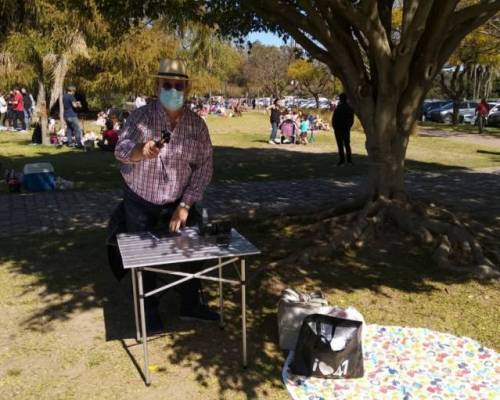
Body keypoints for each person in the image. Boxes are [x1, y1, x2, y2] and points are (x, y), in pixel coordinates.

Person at [113, 58, 218, 333]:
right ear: (157, 86)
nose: (173, 90)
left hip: (178, 201)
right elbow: (121, 149)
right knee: (143, 259)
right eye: (167, 84)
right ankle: (148, 313)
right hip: (140, 200)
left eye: (179, 85)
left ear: (187, 88)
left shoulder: (197, 125)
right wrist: (140, 150)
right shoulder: (141, 118)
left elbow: (205, 167)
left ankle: (190, 304)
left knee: (191, 253)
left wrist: (185, 205)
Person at [332, 93, 354, 166]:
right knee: (347, 144)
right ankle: (349, 160)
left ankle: (342, 160)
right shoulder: (349, 108)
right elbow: (352, 119)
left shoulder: (338, 108)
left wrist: (335, 127)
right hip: (346, 129)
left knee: (340, 145)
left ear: (341, 99)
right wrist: (349, 126)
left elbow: (334, 119)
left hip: (339, 129)